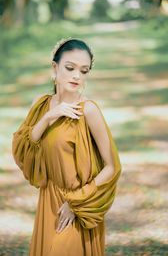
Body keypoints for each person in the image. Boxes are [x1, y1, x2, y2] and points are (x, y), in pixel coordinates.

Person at [12, 37, 122, 256]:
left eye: (84, 71)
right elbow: (24, 148)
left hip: (77, 204)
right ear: (55, 66)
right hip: (48, 200)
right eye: (70, 68)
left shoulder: (88, 110)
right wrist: (47, 118)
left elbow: (112, 167)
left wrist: (75, 203)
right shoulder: (41, 104)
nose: (76, 76)